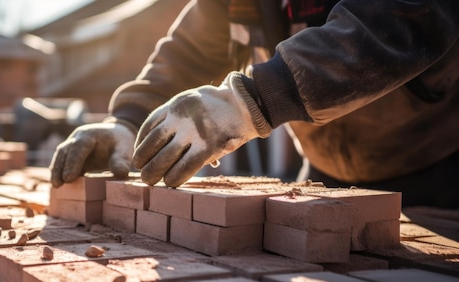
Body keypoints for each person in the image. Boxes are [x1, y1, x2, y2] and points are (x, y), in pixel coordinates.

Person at [50, 0, 459, 208]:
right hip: (327, 174)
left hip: (436, 165)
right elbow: (186, 56)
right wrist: (126, 122)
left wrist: (252, 103)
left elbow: (394, 23)